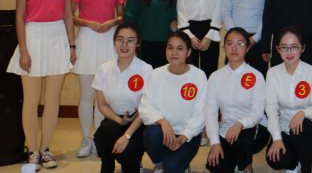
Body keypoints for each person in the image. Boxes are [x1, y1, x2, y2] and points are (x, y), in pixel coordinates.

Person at [6, 0, 77, 170]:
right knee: (31, 100)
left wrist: (71, 45)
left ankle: (46, 150)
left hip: (58, 37)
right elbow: (19, 16)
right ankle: (33, 151)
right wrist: (24, 50)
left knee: (52, 100)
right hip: (33, 36)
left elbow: (68, 16)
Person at [72, 0, 126, 158]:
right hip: (87, 39)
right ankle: (86, 139)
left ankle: (101, 139)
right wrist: (89, 23)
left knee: (104, 97)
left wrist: (113, 21)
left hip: (109, 40)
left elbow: (122, 16)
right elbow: (70, 16)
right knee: (87, 95)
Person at [139, 31, 207, 173]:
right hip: (162, 132)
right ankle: (159, 163)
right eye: (170, 48)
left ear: (188, 52)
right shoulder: (156, 74)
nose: (174, 53)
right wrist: (163, 122)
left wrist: (183, 137)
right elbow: (145, 107)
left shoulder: (198, 76)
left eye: (180, 48)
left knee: (172, 168)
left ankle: (178, 162)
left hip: (187, 135)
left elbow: (201, 113)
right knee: (150, 134)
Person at [205, 27, 269, 173]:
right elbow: (210, 113)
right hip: (226, 130)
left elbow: (257, 113)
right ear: (224, 48)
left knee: (241, 140)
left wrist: (239, 124)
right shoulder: (215, 77)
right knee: (216, 166)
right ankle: (236, 160)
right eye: (229, 43)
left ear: (247, 48)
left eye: (240, 44)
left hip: (254, 128)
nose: (234, 48)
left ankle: (246, 167)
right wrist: (215, 143)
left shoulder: (256, 75)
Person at [92, 22, 153, 173]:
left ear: (137, 43)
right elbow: (102, 105)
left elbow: (145, 108)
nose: (124, 45)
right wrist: (119, 120)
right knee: (102, 133)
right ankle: (107, 164)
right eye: (120, 39)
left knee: (129, 152)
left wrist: (127, 135)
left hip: (139, 120)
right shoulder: (104, 69)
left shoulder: (146, 69)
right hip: (115, 118)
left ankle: (132, 164)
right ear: (114, 41)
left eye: (130, 40)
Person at [265, 27, 312, 173]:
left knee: (301, 128)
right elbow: (271, 107)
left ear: (302, 48)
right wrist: (277, 138)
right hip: (285, 128)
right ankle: (294, 163)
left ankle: (305, 168)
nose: (289, 52)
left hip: (311, 130)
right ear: (277, 49)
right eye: (284, 47)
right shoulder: (272, 73)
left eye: (294, 47)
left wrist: (302, 113)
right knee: (275, 159)